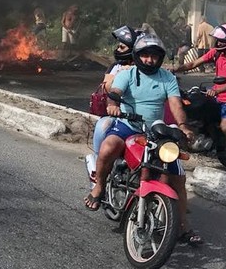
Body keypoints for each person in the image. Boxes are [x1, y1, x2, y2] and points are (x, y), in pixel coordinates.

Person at [86, 33, 201, 246]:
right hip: (128, 126)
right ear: (138, 56)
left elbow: (175, 103)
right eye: (145, 55)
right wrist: (113, 105)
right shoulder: (128, 74)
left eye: (154, 56)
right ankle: (99, 187)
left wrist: (183, 126)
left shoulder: (167, 78)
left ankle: (183, 224)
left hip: (156, 131)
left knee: (177, 177)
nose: (150, 60)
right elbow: (115, 92)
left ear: (160, 58)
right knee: (108, 148)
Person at [173, 23, 226, 171]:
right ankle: (205, 139)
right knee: (194, 107)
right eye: (217, 40)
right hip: (216, 94)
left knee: (225, 127)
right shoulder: (216, 53)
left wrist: (218, 90)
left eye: (221, 40)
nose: (218, 43)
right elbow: (195, 63)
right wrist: (176, 69)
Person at [90, 26, 138, 162]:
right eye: (118, 47)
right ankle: (98, 164)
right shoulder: (115, 67)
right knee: (102, 126)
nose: (118, 50)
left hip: (143, 119)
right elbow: (106, 88)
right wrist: (120, 74)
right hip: (119, 116)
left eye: (122, 48)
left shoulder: (146, 67)